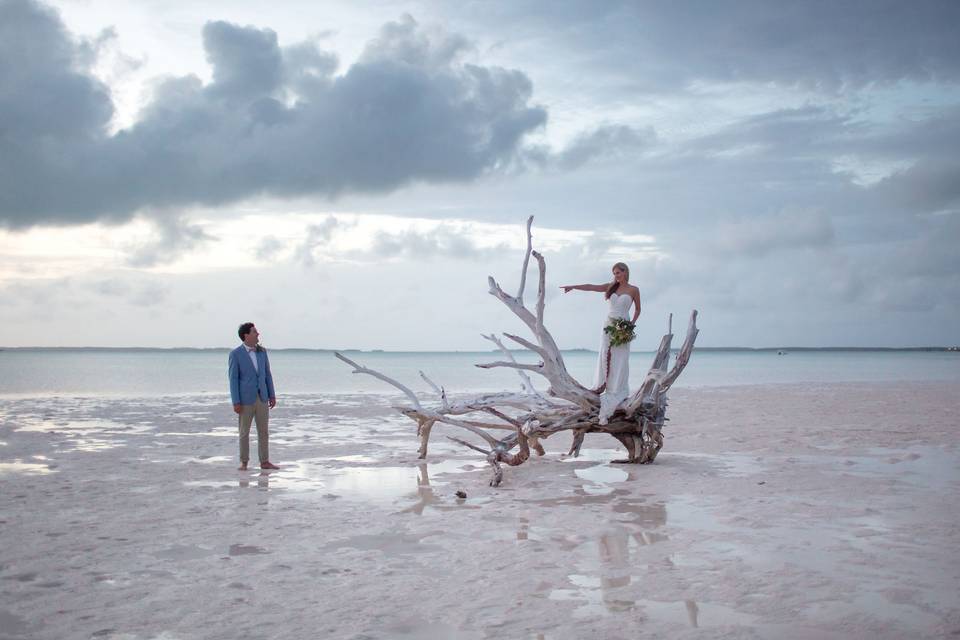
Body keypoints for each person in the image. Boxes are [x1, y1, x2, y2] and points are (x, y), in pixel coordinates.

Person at [561, 262, 641, 424]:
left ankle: (617, 389)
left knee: (620, 358)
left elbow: (638, 309)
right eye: (614, 273)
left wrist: (631, 324)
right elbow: (591, 286)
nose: (616, 276)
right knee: (605, 354)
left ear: (625, 272)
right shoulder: (610, 286)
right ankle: (602, 385)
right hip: (609, 325)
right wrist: (573, 286)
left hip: (624, 327)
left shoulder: (634, 290)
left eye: (618, 272)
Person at [228, 322, 279, 471]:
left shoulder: (262, 352)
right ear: (246, 335)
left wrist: (272, 395)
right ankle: (244, 462)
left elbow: (267, 374)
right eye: (254, 332)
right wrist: (236, 401)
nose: (258, 334)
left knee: (263, 431)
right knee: (244, 432)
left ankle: (265, 461)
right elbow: (233, 379)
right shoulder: (235, 354)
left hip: (262, 396)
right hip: (245, 399)